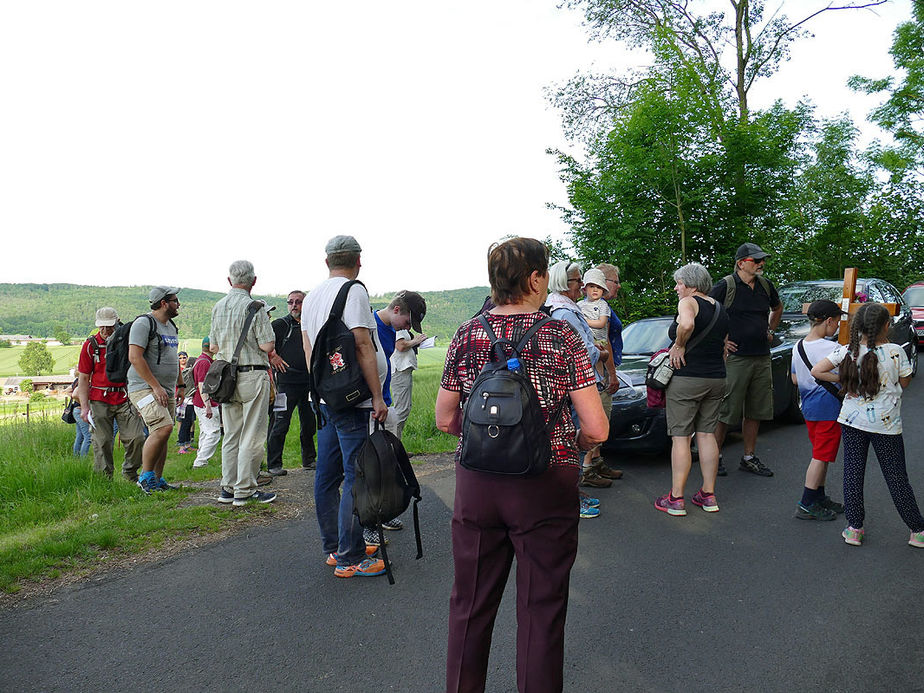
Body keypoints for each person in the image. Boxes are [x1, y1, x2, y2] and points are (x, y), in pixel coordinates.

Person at [436, 237, 609, 693]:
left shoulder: (468, 333)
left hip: (477, 484)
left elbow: (444, 418)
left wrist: (489, 440)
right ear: (535, 279)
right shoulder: (559, 334)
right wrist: (567, 441)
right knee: (541, 609)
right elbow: (597, 427)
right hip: (545, 482)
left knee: (469, 604)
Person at [301, 235, 388, 578]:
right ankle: (352, 557)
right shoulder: (353, 291)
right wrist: (377, 395)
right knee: (355, 475)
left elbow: (309, 350)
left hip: (325, 398)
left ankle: (335, 547)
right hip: (354, 400)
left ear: (327, 262)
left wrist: (320, 393)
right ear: (358, 262)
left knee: (327, 474)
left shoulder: (311, 298)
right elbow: (363, 343)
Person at [811, 302, 924, 548]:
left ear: (857, 326)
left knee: (853, 473)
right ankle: (917, 530)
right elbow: (904, 383)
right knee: (896, 477)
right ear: (886, 325)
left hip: (851, 421)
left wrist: (845, 378)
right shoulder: (896, 351)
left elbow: (817, 371)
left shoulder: (847, 351)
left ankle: (854, 529)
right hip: (886, 425)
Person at [654, 263, 729, 516]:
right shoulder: (720, 308)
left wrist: (679, 345)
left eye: (680, 283)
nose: (676, 288)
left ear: (692, 285)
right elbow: (724, 347)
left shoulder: (688, 303)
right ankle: (708, 495)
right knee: (707, 435)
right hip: (717, 378)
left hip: (687, 378)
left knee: (682, 438)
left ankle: (676, 499)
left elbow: (685, 326)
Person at [209, 261, 285, 506]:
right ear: (254, 280)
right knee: (252, 435)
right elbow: (267, 346)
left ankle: (227, 487)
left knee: (231, 434)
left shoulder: (218, 307)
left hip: (227, 377)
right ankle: (245, 489)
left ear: (230, 280)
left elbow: (213, 347)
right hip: (252, 374)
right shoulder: (255, 307)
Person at [708, 242, 782, 477]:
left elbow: (777, 308)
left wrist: (770, 330)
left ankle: (749, 457)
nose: (762, 264)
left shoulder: (765, 286)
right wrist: (721, 341)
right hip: (735, 359)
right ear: (741, 263)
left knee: (756, 410)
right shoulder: (725, 286)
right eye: (756, 260)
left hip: (761, 356)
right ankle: (715, 456)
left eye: (763, 260)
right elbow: (706, 312)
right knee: (726, 411)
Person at [545, 260, 615, 497]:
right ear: (565, 283)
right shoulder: (566, 312)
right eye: (577, 280)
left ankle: (570, 492)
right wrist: (601, 352)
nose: (582, 285)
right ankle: (571, 495)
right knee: (573, 439)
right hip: (576, 386)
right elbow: (581, 351)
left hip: (568, 386)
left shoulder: (560, 308)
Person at [367, 290, 427, 538]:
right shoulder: (370, 326)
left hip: (384, 403)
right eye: (407, 322)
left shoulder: (390, 329)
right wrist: (375, 400)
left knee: (385, 464)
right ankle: (368, 523)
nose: (406, 328)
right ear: (396, 310)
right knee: (371, 467)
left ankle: (382, 513)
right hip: (370, 407)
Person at [790, 300, 846, 521]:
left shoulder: (798, 346)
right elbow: (846, 376)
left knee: (820, 453)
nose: (839, 326)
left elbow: (795, 379)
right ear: (829, 321)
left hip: (809, 408)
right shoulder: (833, 349)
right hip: (829, 409)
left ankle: (819, 496)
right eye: (838, 322)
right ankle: (806, 503)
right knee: (820, 457)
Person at [127, 287, 184, 494]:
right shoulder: (143, 324)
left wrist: (181, 384)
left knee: (164, 432)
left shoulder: (171, 326)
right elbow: (135, 357)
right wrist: (155, 386)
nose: (178, 304)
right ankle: (145, 477)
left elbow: (173, 357)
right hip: (143, 389)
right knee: (162, 428)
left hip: (166, 390)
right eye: (175, 300)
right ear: (163, 303)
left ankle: (157, 480)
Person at [76, 307, 144, 480]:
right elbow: (84, 379)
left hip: (125, 397)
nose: (106, 331)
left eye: (110, 326)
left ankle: (130, 473)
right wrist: (84, 408)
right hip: (99, 400)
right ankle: (104, 480)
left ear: (117, 322)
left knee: (137, 437)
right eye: (102, 327)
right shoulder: (90, 345)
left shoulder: (128, 342)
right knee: (102, 441)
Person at [266, 290, 316, 476]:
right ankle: (273, 464)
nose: (294, 305)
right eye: (291, 302)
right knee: (280, 423)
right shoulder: (280, 325)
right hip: (286, 384)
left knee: (309, 423)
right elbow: (263, 344)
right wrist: (273, 356)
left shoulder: (312, 324)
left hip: (309, 382)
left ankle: (309, 460)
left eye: (299, 302)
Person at [388, 323, 428, 441]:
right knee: (401, 409)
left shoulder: (400, 324)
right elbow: (400, 345)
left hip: (402, 369)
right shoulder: (398, 325)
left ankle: (395, 445)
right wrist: (415, 341)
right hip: (400, 369)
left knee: (404, 408)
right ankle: (393, 446)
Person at [190, 337, 221, 469]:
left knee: (205, 431)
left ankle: (200, 459)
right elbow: (203, 385)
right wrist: (208, 405)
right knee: (214, 432)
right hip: (205, 403)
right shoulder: (204, 363)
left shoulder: (202, 360)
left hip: (199, 402)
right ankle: (201, 461)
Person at [175, 351, 197, 453]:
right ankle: (181, 447)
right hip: (185, 401)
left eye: (185, 357)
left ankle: (187, 444)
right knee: (184, 424)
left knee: (188, 423)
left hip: (189, 401)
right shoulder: (184, 373)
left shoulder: (187, 373)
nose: (183, 359)